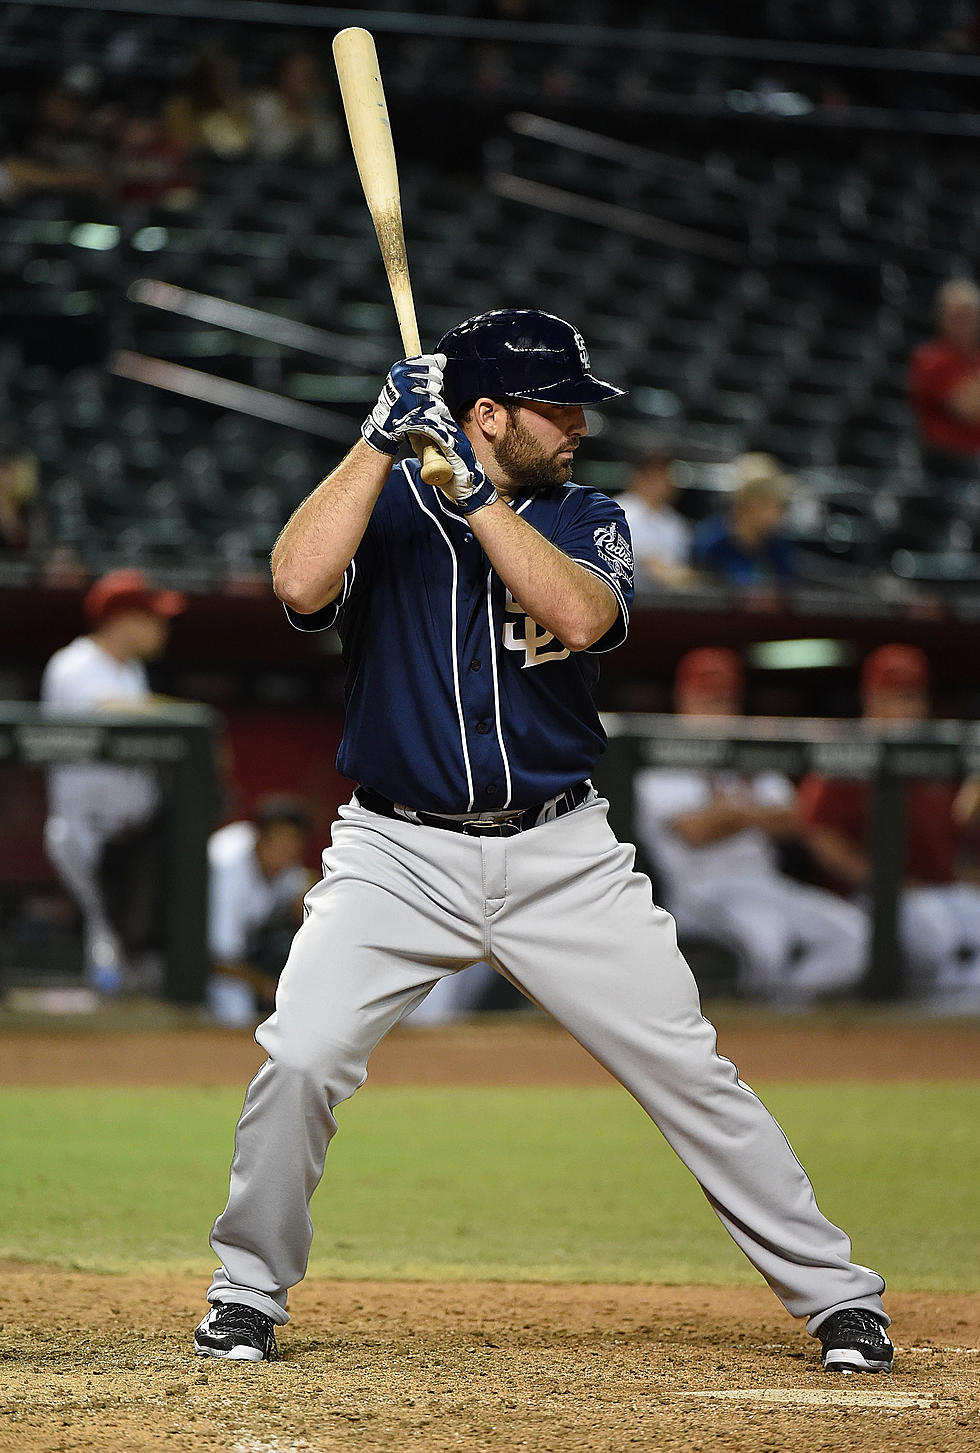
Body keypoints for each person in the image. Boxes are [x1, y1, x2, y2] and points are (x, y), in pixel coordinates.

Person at [193, 309, 892, 1376]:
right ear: (485, 412)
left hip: (561, 854)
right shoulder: (379, 505)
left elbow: (578, 616)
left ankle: (837, 1297)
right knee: (298, 1057)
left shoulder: (584, 512)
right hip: (397, 852)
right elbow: (295, 582)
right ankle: (245, 1292)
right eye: (555, 406)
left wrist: (475, 496)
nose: (578, 423)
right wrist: (376, 441)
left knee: (686, 1072)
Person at [634, 648, 868, 1006]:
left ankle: (785, 1009)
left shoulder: (750, 753)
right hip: (699, 891)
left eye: (723, 698)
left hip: (765, 883)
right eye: (706, 698)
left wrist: (727, 813)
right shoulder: (663, 760)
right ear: (683, 699)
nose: (716, 708)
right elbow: (695, 832)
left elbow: (797, 819)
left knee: (859, 937)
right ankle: (764, 1020)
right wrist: (754, 814)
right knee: (769, 944)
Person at [799, 643, 980, 1010]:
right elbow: (818, 831)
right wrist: (883, 882)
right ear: (870, 698)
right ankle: (926, 1031)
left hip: (941, 889)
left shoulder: (934, 752)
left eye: (911, 697)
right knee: (943, 940)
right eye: (893, 697)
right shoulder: (849, 753)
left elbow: (956, 828)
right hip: (871, 898)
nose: (904, 709)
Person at [40, 569, 185, 994]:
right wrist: (183, 715)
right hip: (87, 832)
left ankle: (108, 1011)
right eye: (151, 617)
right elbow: (111, 710)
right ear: (122, 619)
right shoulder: (75, 664)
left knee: (118, 935)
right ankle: (102, 1028)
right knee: (109, 931)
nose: (161, 627)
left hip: (129, 836)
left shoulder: (130, 672)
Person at [208, 796, 316, 1028]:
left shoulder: (284, 866)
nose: (286, 853)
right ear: (259, 838)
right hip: (197, 963)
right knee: (234, 1005)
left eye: (293, 846)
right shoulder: (228, 865)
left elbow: (306, 891)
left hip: (244, 956)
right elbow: (219, 958)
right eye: (279, 844)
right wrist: (267, 986)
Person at [908, 278, 980, 489]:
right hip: (944, 467)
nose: (964, 324)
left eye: (968, 315)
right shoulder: (930, 360)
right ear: (942, 318)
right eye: (957, 316)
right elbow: (968, 409)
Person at [692, 452, 796, 587]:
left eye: (780, 503)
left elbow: (788, 592)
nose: (778, 511)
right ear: (747, 503)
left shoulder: (781, 548)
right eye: (768, 501)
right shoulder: (710, 542)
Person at [616, 446, 697, 590]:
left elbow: (683, 570)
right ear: (639, 476)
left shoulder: (675, 523)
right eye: (653, 476)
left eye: (665, 476)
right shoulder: (618, 510)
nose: (661, 483)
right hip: (627, 597)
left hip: (666, 603)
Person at [249, 49, 339, 162]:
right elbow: (268, 148)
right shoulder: (264, 103)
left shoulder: (318, 106)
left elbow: (328, 150)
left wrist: (308, 118)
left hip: (312, 173)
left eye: (309, 75)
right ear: (282, 75)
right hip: (265, 171)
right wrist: (299, 123)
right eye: (297, 74)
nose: (305, 81)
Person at [164, 50, 253, 158]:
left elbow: (243, 146)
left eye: (228, 76)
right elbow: (180, 145)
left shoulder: (238, 107)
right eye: (218, 76)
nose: (224, 83)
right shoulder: (179, 107)